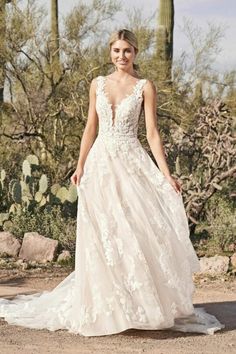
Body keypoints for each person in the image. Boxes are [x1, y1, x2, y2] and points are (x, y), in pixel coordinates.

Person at [0, 29, 224, 336]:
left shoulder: (145, 86)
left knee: (133, 230)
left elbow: (153, 133)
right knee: (103, 233)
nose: (122, 56)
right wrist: (79, 166)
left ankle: (137, 304)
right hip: (100, 164)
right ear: (110, 52)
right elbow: (90, 128)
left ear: (135, 52)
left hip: (131, 162)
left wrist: (166, 174)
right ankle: (109, 306)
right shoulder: (97, 84)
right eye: (117, 50)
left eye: (127, 51)